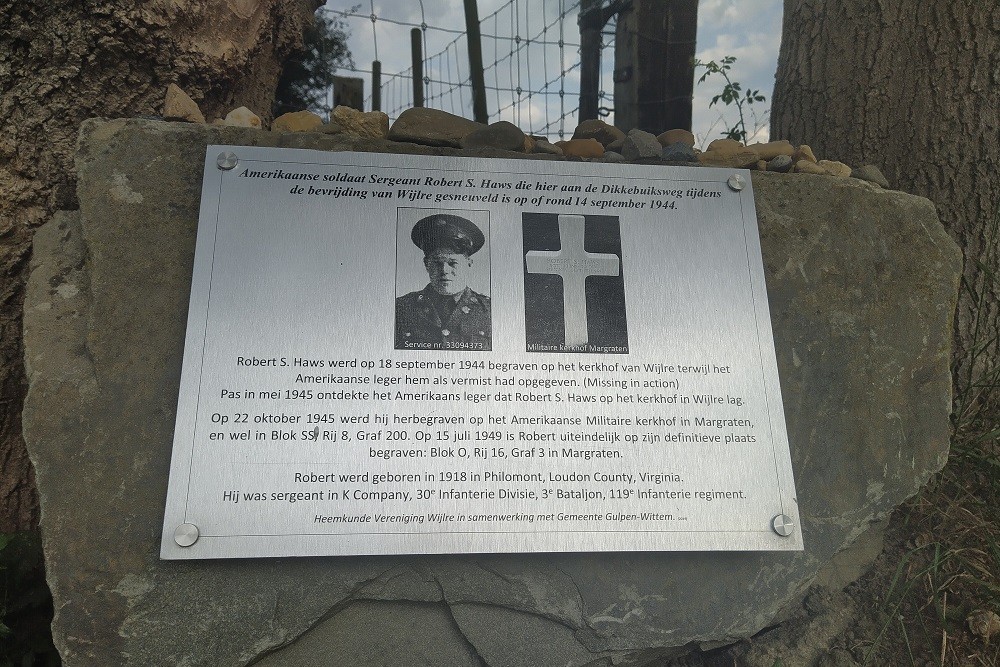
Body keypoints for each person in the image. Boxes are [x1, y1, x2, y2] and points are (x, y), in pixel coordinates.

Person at [395, 214, 491, 351]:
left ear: (468, 264)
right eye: (436, 263)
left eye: (453, 263)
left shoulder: (489, 310)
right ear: (426, 264)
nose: (444, 270)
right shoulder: (401, 308)